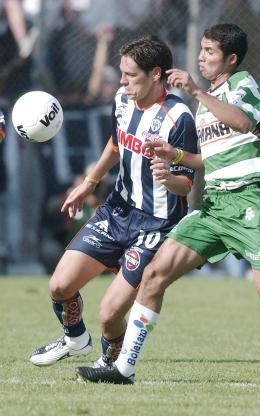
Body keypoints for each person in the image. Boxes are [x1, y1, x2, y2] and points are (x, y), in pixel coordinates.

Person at [75, 23, 260, 386]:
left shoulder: (242, 85)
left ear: (231, 59)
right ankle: (124, 368)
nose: (201, 57)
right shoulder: (208, 105)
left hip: (250, 203)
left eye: (209, 52)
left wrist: (196, 92)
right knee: (155, 274)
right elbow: (215, 159)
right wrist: (175, 154)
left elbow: (242, 122)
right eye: (201, 49)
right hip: (213, 207)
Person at [29, 35, 198, 367]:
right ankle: (75, 340)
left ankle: (110, 360)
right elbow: (115, 143)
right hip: (116, 210)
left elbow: (185, 186)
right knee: (60, 286)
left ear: (155, 74)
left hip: (155, 226)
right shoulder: (122, 99)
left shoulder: (179, 118)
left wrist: (168, 177)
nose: (121, 81)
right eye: (121, 73)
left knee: (109, 316)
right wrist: (88, 184)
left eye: (130, 74)